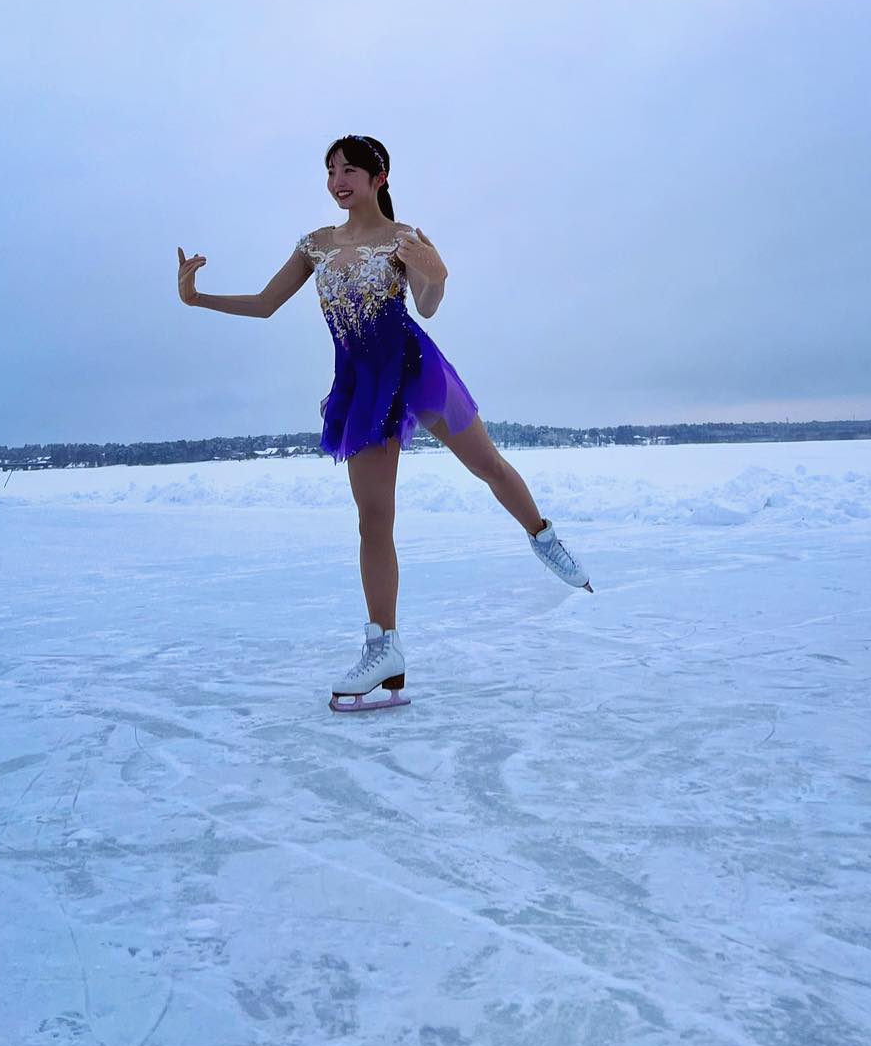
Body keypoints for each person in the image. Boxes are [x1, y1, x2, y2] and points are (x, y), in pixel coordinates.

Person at [176, 132, 592, 708]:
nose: (337, 181)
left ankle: (544, 538)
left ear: (380, 177)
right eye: (330, 171)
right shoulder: (315, 244)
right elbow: (266, 304)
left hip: (415, 368)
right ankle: (384, 648)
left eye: (348, 170)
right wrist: (197, 299)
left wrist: (436, 276)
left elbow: (426, 304)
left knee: (488, 466)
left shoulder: (403, 238)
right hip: (362, 387)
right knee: (373, 519)